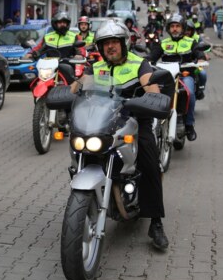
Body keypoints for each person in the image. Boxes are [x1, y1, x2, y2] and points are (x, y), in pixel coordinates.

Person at [71, 19, 168, 250]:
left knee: (149, 161)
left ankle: (155, 221)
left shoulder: (139, 64)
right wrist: (68, 93)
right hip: (103, 120)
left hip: (134, 119)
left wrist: (150, 97)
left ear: (124, 43)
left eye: (114, 42)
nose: (110, 47)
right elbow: (77, 89)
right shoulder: (96, 66)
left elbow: (152, 88)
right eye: (105, 43)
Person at [150, 14, 206, 141]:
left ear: (183, 28)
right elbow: (152, 56)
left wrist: (201, 57)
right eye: (172, 26)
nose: (175, 29)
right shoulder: (163, 43)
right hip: (166, 78)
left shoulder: (191, 42)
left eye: (178, 26)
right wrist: (145, 61)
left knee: (190, 94)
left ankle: (189, 125)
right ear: (168, 29)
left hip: (185, 76)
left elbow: (199, 53)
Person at [23, 11, 84, 82]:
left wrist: (79, 55)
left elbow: (80, 49)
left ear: (67, 24)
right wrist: (30, 54)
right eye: (60, 23)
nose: (62, 25)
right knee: (38, 83)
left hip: (67, 65)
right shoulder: (48, 36)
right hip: (49, 67)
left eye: (64, 23)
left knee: (73, 83)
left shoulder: (74, 36)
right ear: (55, 24)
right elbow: (39, 48)